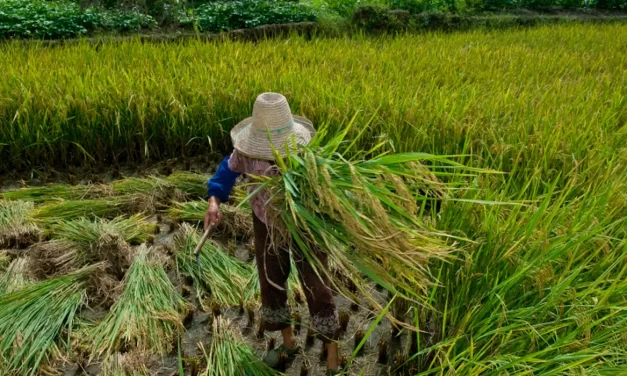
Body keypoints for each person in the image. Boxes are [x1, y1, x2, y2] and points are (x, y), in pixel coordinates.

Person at [204, 93, 341, 375]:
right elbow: (225, 172)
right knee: (271, 278)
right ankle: (288, 342)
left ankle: (332, 356)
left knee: (317, 284)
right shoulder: (245, 154)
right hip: (265, 222)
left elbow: (327, 189)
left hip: (304, 223)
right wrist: (214, 201)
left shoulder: (304, 154)